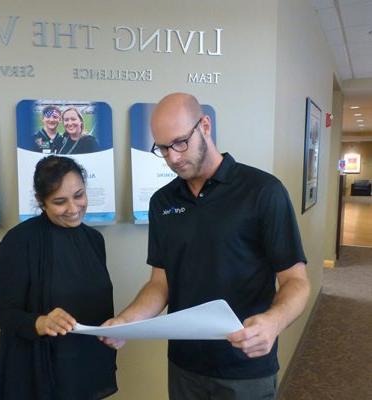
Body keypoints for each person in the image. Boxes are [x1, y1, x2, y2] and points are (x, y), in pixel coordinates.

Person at [101, 93, 310, 400]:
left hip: (245, 366)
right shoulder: (163, 202)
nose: (172, 157)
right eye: (162, 148)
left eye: (180, 142)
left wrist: (273, 322)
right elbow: (161, 282)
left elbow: (296, 281)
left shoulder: (264, 191)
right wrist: (127, 322)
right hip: (186, 366)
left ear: (205, 126)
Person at [0, 156, 117, 400]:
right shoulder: (19, 241)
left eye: (79, 195)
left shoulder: (94, 240)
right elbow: (6, 316)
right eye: (60, 201)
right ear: (42, 202)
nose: (73, 208)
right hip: (37, 374)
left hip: (85, 367)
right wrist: (41, 322)